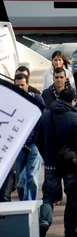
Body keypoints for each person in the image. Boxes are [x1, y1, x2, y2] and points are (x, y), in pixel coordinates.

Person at [37, 87, 77, 237]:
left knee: (48, 196)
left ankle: (44, 222)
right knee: (72, 196)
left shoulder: (46, 115)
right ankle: (71, 229)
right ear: (73, 100)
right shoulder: (75, 117)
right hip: (69, 164)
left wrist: (46, 156)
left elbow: (38, 139)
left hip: (51, 163)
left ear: (58, 98)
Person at [0, 74, 44, 203]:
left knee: (32, 177)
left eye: (22, 85)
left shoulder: (36, 99)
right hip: (17, 146)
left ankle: (30, 204)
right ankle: (23, 201)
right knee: (19, 180)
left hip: (33, 144)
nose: (20, 87)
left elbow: (41, 122)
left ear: (27, 84)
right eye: (17, 85)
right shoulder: (10, 101)